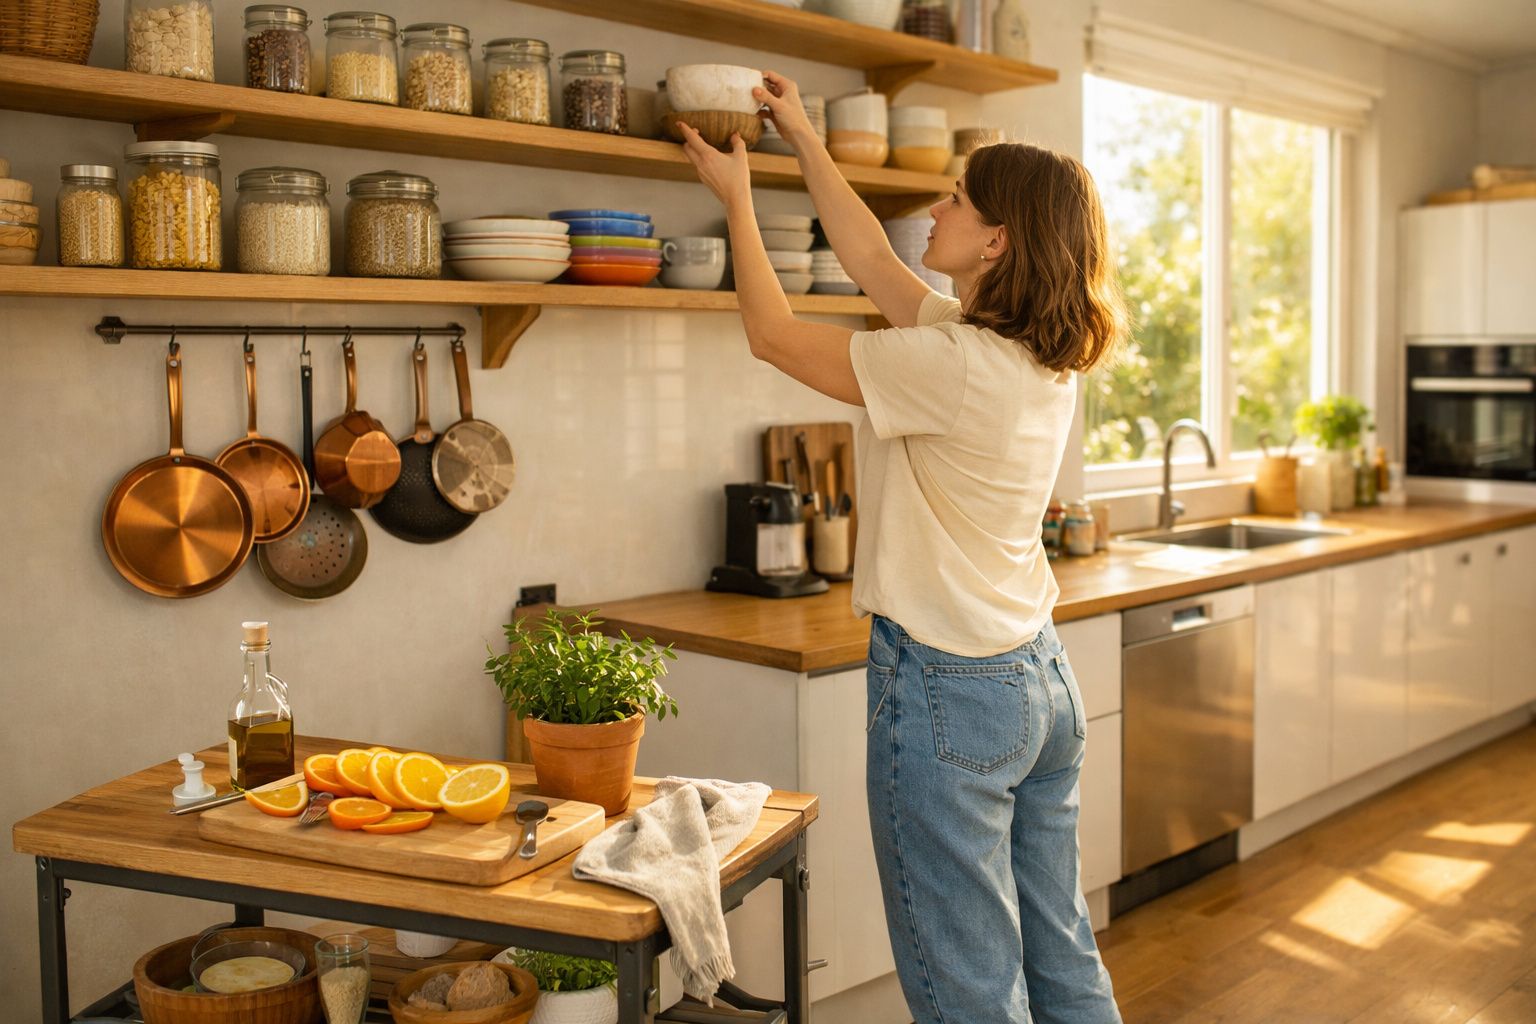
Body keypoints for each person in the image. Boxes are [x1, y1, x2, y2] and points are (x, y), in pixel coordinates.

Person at [678, 70, 1127, 1024]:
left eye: (957, 199)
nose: (937, 205)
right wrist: (801, 136)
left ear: (998, 239)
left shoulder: (952, 364)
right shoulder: (1025, 355)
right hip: (1038, 683)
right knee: (1060, 950)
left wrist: (739, 201)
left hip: (951, 692)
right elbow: (876, 259)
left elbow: (770, 334)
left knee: (968, 983)